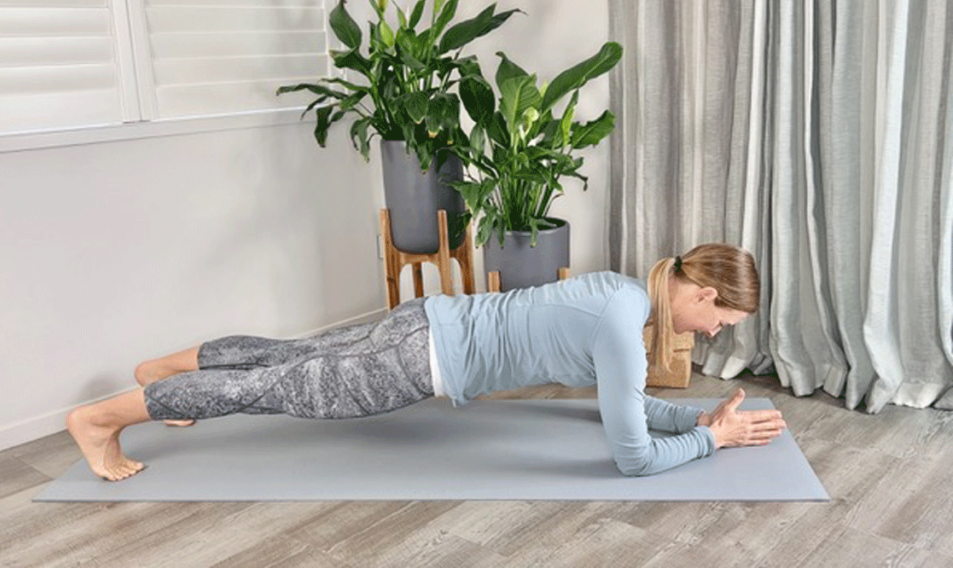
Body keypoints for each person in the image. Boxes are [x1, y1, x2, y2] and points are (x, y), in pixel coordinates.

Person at [67, 243, 787, 481]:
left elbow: (627, 401)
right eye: (724, 318)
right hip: (419, 360)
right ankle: (99, 420)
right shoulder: (625, 329)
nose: (719, 332)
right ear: (704, 292)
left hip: (429, 317)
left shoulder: (625, 296)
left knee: (285, 357)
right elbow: (631, 454)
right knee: (272, 388)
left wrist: (695, 417)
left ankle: (163, 371)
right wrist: (709, 441)